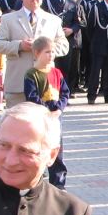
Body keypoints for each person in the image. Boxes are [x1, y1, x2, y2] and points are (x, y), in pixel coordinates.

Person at [0, 0, 69, 108]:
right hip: (18, 84)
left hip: (46, 84)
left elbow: (64, 46)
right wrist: (19, 46)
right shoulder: (8, 19)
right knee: (18, 120)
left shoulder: (53, 20)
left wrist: (45, 49)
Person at [24, 36, 69, 189]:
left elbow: (65, 92)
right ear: (37, 53)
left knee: (57, 147)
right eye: (47, 52)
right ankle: (38, 181)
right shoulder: (32, 74)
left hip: (55, 117)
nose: (51, 55)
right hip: (41, 116)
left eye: (53, 52)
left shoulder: (57, 72)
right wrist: (47, 110)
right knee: (40, 147)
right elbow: (32, 96)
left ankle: (58, 184)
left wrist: (59, 108)